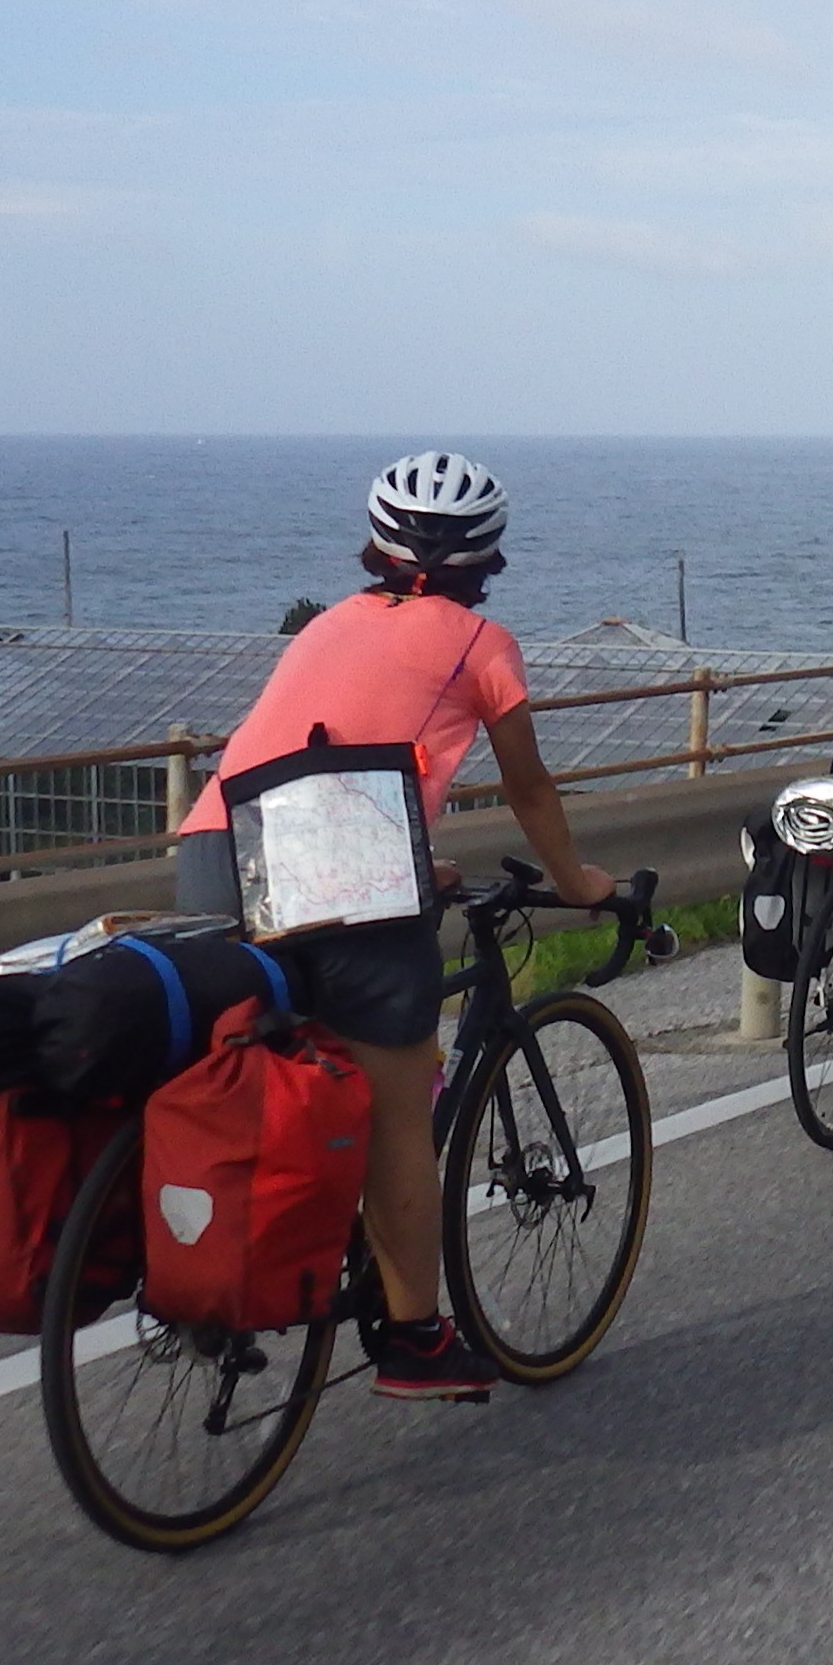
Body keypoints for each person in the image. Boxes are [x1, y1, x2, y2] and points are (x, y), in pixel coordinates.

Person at [173, 451, 614, 1403]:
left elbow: (304, 756)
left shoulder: (326, 624)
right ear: (488, 554)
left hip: (217, 849)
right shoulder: (481, 642)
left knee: (239, 1068)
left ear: (375, 540)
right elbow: (529, 785)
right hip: (342, 867)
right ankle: (415, 1339)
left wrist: (417, 865)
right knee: (396, 1112)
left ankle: (203, 1258)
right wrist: (577, 881)